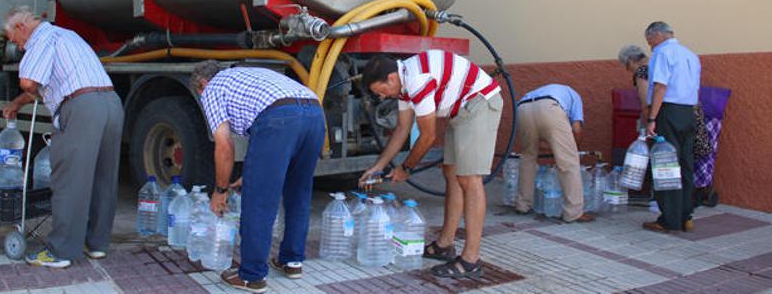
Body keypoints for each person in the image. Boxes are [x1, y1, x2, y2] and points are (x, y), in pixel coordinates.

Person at [358, 50, 502, 280]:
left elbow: (427, 136)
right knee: (452, 174)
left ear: (391, 79)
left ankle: (471, 260)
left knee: (469, 179)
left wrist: (406, 169)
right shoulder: (403, 85)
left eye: (381, 91)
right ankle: (445, 244)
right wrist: (378, 166)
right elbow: (402, 130)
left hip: (479, 102)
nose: (383, 97)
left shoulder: (416, 80)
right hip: (461, 109)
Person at [1, 6, 123, 268]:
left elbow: (29, 82)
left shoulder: (41, 38)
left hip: (82, 109)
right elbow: (49, 82)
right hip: (110, 103)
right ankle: (97, 244)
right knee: (104, 177)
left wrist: (24, 77)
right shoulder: (67, 35)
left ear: (22, 28)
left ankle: (61, 251)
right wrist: (19, 103)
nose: (20, 47)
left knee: (70, 180)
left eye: (16, 40)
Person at [191, 61, 325, 294]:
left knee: (258, 201)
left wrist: (220, 191)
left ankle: (251, 276)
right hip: (314, 113)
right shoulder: (246, 74)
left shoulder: (212, 88)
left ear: (202, 84)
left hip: (279, 118)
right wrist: (252, 174)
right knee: (298, 192)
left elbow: (224, 144)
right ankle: (292, 261)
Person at [642, 21, 701, 233]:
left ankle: (669, 219)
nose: (650, 46)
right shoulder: (691, 55)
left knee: (666, 165)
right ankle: (686, 216)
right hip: (688, 113)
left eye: (649, 41)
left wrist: (652, 118)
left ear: (657, 35)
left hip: (668, 112)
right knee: (685, 165)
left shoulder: (662, 53)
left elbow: (660, 86)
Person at [514, 84, 594, 223]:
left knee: (528, 157)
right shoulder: (575, 97)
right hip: (550, 107)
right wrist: (573, 150)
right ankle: (574, 213)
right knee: (569, 162)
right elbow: (577, 129)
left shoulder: (552, 90)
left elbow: (541, 142)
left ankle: (523, 205)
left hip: (522, 108)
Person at [618, 44, 650, 122]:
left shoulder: (642, 71)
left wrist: (647, 122)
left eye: (626, 66)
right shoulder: (657, 65)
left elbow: (646, 102)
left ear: (630, 61)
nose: (627, 70)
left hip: (657, 117)